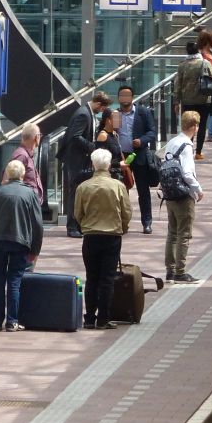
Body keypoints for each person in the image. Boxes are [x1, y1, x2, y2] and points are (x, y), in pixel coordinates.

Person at [0, 160, 44, 331]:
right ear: (22, 175)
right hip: (20, 242)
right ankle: (12, 321)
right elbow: (37, 224)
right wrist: (35, 249)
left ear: (7, 174)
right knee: (14, 281)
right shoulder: (30, 194)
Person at [74, 149, 131, 330]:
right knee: (107, 278)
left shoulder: (83, 187)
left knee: (92, 277)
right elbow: (126, 212)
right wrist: (122, 227)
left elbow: (78, 214)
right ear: (108, 165)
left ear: (93, 165)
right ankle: (104, 318)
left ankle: (89, 317)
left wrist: (85, 225)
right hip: (112, 235)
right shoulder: (118, 187)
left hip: (90, 236)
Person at [61, 91, 112, 238]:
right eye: (102, 108)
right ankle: (72, 226)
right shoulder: (83, 114)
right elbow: (75, 136)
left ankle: (77, 225)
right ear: (98, 104)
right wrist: (92, 147)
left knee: (79, 192)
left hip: (80, 159)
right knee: (75, 193)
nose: (102, 111)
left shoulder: (87, 113)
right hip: (76, 160)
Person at [163, 112, 204, 285]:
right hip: (183, 194)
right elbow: (187, 172)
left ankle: (170, 270)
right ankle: (180, 271)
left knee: (172, 232)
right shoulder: (186, 146)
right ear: (195, 126)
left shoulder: (172, 142)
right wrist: (198, 189)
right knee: (184, 234)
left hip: (169, 193)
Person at [117, 84, 157, 235]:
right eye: (122, 95)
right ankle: (122, 222)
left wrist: (142, 140)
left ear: (132, 98)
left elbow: (152, 132)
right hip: (122, 158)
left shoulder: (142, 112)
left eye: (127, 95)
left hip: (139, 156)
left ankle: (147, 223)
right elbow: (112, 132)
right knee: (121, 191)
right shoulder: (115, 114)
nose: (124, 98)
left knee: (143, 191)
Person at [175, 37, 212, 160]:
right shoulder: (205, 63)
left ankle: (188, 149)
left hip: (187, 101)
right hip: (203, 100)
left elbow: (178, 84)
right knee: (202, 125)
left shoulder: (182, 65)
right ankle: (198, 152)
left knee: (188, 125)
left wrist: (176, 101)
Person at [8, 123, 45, 206]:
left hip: (29, 206)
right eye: (40, 135)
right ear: (36, 137)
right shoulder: (21, 155)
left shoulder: (26, 155)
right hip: (25, 207)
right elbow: (7, 181)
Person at [95, 111, 125, 182]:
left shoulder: (115, 134)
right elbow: (100, 161)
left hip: (117, 174)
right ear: (108, 120)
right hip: (108, 177)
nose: (119, 121)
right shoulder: (103, 136)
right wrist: (118, 164)